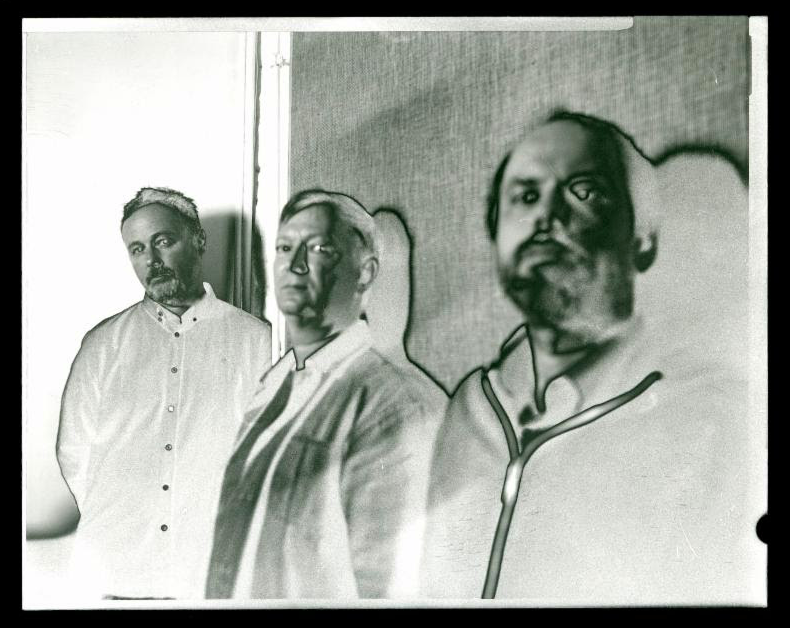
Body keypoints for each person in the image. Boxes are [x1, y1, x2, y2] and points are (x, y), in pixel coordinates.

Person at [420, 112, 761, 603]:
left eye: (587, 193)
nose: (548, 217)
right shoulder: (471, 410)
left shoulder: (711, 418)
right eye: (525, 197)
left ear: (643, 242)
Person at [205, 189, 437, 600]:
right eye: (285, 248)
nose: (295, 265)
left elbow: (387, 591)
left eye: (319, 249)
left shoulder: (392, 405)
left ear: (365, 274)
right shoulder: (271, 387)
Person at [56, 187, 272, 600]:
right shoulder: (102, 344)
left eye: (163, 242)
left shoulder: (257, 342)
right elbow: (74, 453)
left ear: (198, 240)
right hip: (118, 576)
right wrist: (122, 522)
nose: (151, 261)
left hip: (210, 577)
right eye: (137, 249)